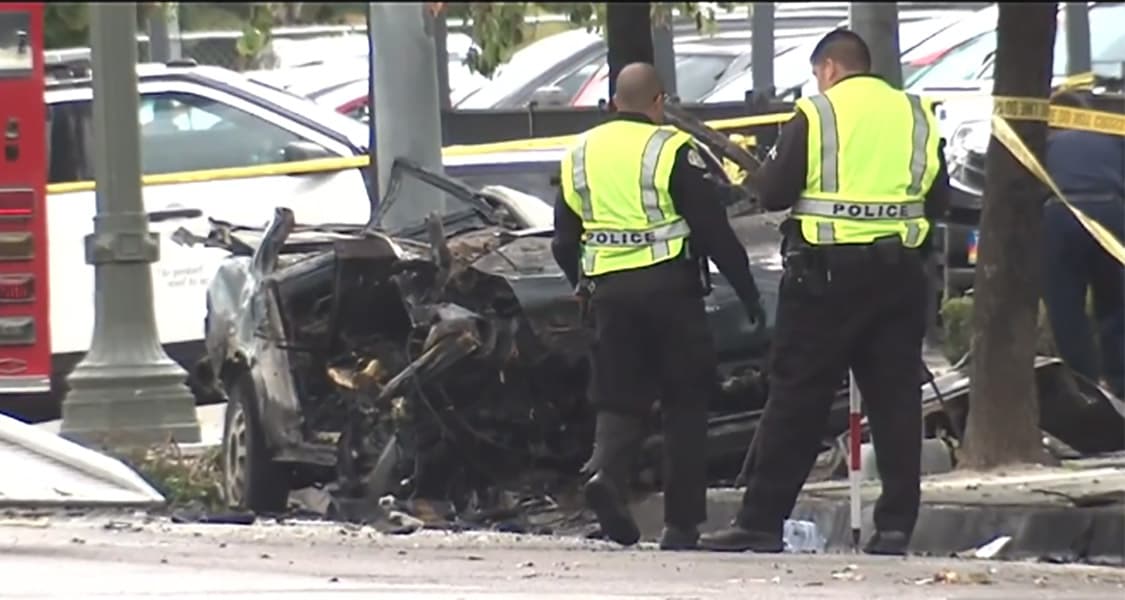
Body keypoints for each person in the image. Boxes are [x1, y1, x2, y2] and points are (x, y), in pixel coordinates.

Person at [700, 28, 950, 556]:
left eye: (818, 73)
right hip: (900, 275)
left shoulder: (816, 113)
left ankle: (761, 523)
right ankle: (895, 527)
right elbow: (939, 199)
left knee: (797, 398)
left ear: (830, 68)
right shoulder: (916, 114)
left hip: (825, 281)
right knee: (896, 402)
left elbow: (774, 194)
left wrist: (761, 175)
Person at [552, 62, 766, 551]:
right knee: (685, 402)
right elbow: (714, 231)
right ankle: (681, 525)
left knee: (618, 396)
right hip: (671, 291)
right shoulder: (671, 148)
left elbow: (564, 241)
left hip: (610, 293)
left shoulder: (579, 154)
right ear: (658, 102)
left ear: (612, 104)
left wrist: (582, 283)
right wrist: (748, 292)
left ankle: (607, 475)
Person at [1041, 90, 1125, 398]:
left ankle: (1084, 386)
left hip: (1060, 214)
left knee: (1066, 308)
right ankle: (1120, 385)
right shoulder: (1111, 138)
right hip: (1111, 212)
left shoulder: (1043, 142)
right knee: (1115, 303)